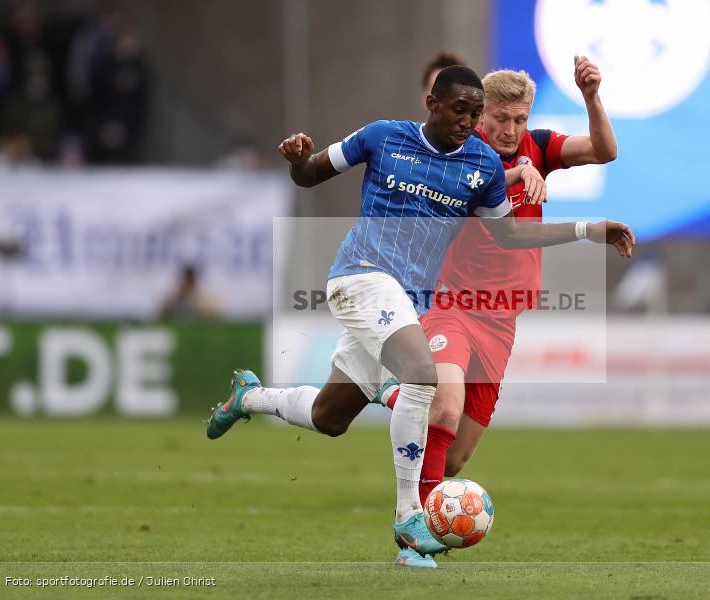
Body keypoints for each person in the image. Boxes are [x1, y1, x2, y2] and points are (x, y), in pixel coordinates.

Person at [205, 65, 635, 568]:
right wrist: (298, 160)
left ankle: (249, 396)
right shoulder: (383, 136)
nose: (471, 122)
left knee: (330, 417)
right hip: (360, 276)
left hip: (411, 301)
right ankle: (412, 519)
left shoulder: (483, 166)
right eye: (465, 112)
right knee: (421, 377)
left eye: (476, 113)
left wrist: (587, 229)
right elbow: (311, 175)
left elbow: (510, 236)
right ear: (431, 104)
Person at [375, 57, 619, 510]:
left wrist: (590, 96)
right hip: (450, 303)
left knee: (453, 460)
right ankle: (417, 527)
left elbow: (605, 151)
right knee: (445, 408)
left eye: (519, 119)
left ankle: (389, 393)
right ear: (481, 115)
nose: (509, 129)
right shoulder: (459, 153)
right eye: (500, 118)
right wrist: (519, 172)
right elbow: (476, 188)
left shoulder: (539, 148)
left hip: (501, 320)